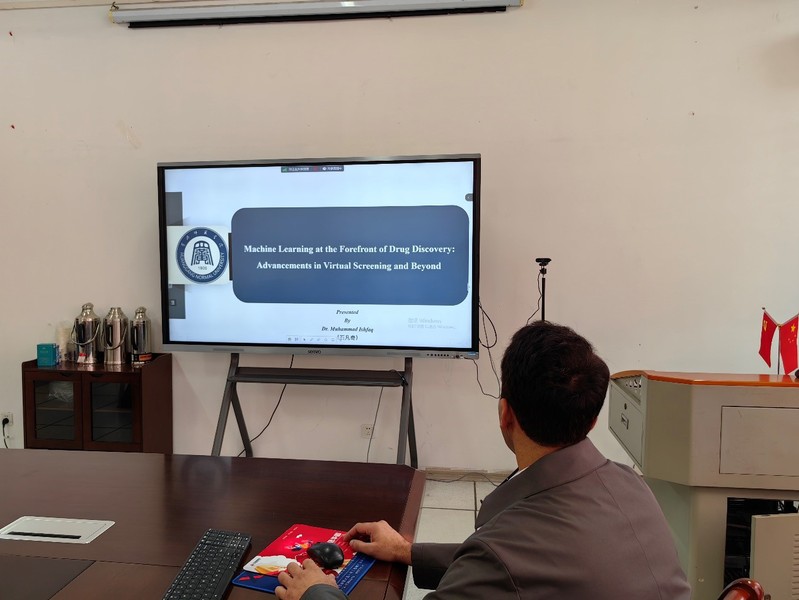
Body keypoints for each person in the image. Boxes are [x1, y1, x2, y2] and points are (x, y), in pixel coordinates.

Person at [275, 321, 691, 600]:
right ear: (592, 418)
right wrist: (408, 551)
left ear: (505, 414)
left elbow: (508, 565)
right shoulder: (631, 485)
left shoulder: (503, 557)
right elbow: (530, 565)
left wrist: (316, 592)